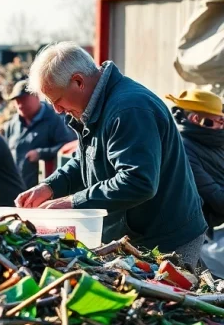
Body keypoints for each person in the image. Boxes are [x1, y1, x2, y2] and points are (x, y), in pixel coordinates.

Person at [16, 42, 206, 269]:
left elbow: (138, 181)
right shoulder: (94, 106)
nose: (57, 110)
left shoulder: (129, 110)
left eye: (56, 100)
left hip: (167, 241)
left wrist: (73, 202)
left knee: (173, 291)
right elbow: (87, 158)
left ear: (78, 81)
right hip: (134, 236)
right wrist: (50, 186)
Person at [167, 89, 224, 232]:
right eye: (220, 120)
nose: (222, 125)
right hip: (190, 232)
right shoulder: (183, 150)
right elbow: (214, 194)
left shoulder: (213, 140)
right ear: (196, 119)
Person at [2, 79, 76, 188]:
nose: (20, 105)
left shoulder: (55, 119)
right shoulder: (12, 125)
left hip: (43, 188)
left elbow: (68, 146)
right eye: (17, 101)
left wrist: (41, 153)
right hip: (16, 187)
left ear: (36, 96)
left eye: (23, 99)